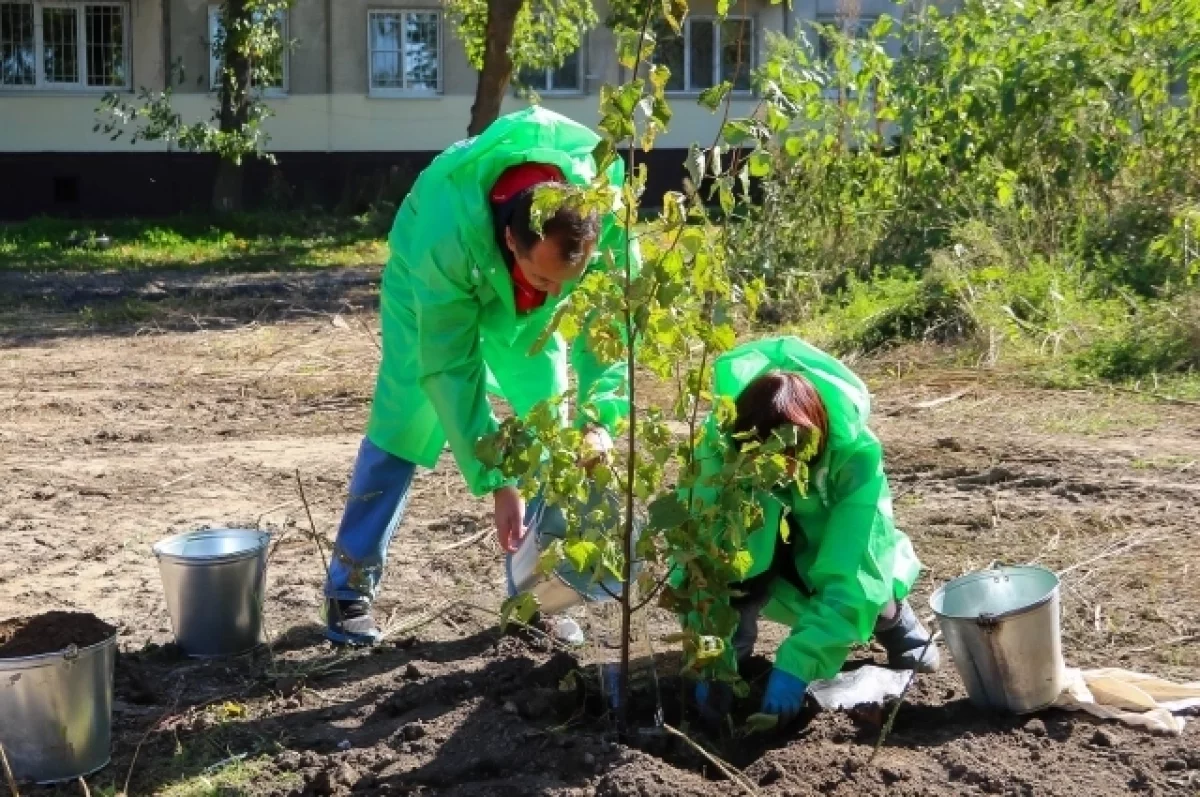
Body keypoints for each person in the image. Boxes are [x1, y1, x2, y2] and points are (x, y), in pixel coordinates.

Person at [322, 107, 636, 646]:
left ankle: (532, 595)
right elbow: (450, 369)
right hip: (431, 287)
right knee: (406, 421)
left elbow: (610, 325)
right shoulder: (448, 231)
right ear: (513, 242)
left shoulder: (597, 217)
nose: (556, 295)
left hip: (520, 314)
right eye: (543, 277)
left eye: (568, 282)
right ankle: (349, 587)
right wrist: (499, 480)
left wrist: (599, 418)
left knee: (551, 420)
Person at [678, 336, 939, 722]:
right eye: (765, 455)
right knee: (732, 587)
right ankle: (733, 662)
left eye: (792, 454)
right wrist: (710, 656)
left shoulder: (855, 460)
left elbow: (856, 572)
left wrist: (799, 663)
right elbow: (700, 564)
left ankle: (897, 623)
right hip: (759, 560)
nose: (780, 468)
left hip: (829, 558)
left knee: (874, 590)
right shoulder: (719, 457)